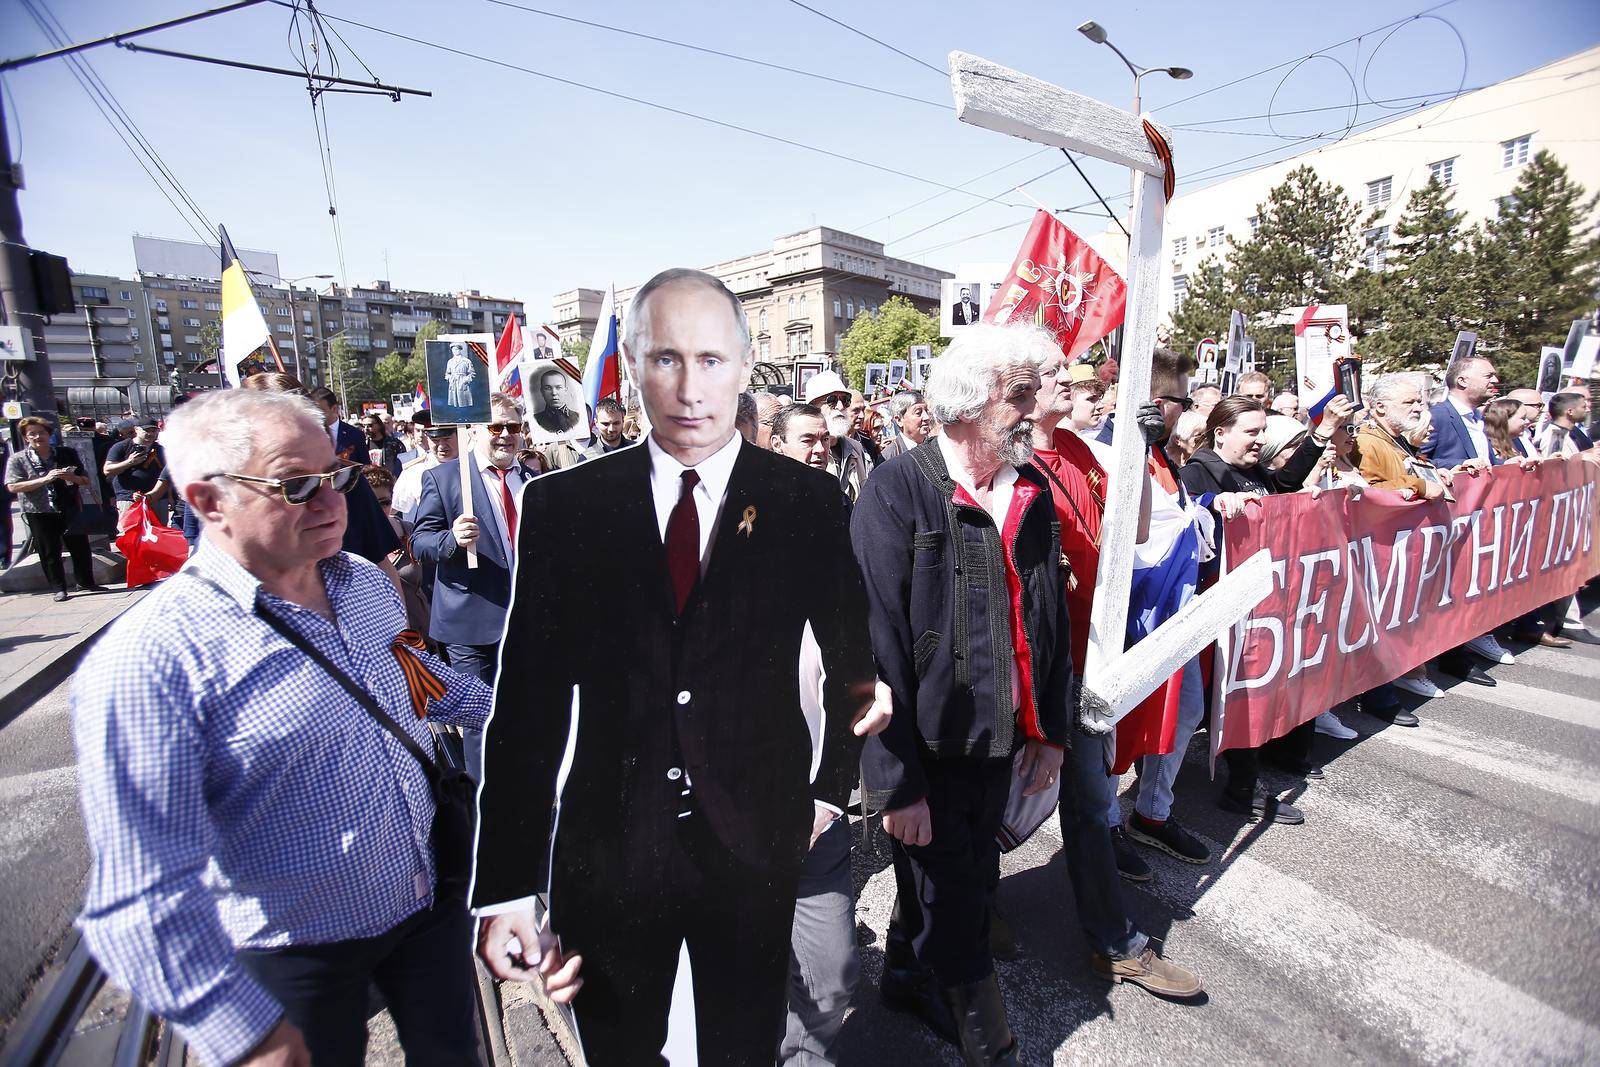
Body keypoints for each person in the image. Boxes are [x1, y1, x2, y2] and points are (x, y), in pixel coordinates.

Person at [471, 268, 880, 1066]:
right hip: (612, 849)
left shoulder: (807, 501)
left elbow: (852, 663)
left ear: (745, 362)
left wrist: (831, 788)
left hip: (757, 843)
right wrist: (509, 885)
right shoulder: (566, 509)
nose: (690, 387)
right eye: (665, 360)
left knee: (741, 1046)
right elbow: (526, 705)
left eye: (711, 359)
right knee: (621, 1049)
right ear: (632, 365)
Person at [72, 389, 490, 1067]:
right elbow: (140, 895)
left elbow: (422, 687)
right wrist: (241, 1033)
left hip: (430, 906)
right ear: (209, 502)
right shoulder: (152, 658)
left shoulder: (361, 580)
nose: (334, 504)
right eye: (297, 485)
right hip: (295, 954)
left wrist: (540, 710)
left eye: (338, 476)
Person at [853, 324, 1075, 1065]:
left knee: (963, 871)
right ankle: (986, 1031)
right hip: (930, 746)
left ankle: (905, 974)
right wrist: (896, 785)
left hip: (1002, 737)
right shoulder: (896, 489)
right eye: (1020, 395)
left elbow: (1048, 624)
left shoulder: (1031, 491)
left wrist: (1050, 731)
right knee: (956, 894)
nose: (1035, 409)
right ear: (967, 402)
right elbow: (874, 650)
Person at [1024, 337, 1207, 993]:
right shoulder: (1009, 461)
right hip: (1033, 661)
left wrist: (1142, 453)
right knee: (984, 798)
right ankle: (923, 930)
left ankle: (1115, 941)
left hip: (1086, 656)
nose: (1073, 380)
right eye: (1054, 373)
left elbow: (1128, 533)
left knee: (1087, 795)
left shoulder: (1077, 450)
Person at [1182, 393, 1356, 821]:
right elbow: (1182, 520)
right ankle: (1238, 789)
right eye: (1252, 432)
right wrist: (1210, 505)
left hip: (1263, 605)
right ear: (1221, 433)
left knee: (1241, 692)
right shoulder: (1198, 474)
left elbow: (1285, 488)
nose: (1260, 440)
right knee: (1226, 695)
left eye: (1263, 432)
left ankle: (1250, 769)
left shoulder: (1252, 470)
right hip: (1221, 608)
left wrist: (1321, 433)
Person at [411, 393, 537, 781]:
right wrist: (452, 539)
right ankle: (484, 811)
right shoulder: (445, 478)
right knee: (482, 720)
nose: (504, 436)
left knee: (530, 717)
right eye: (495, 427)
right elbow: (420, 544)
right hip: (472, 626)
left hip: (529, 624)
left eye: (512, 427)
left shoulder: (535, 481)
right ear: (476, 430)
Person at [1421, 355, 1517, 674]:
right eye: (1488, 375)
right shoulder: (1436, 417)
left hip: (1477, 520)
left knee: (1468, 584)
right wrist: (1449, 472)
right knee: (1446, 589)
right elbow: (1418, 463)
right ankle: (1450, 656)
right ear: (1462, 381)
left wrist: (1512, 469)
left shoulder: (1479, 419)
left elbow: (1484, 463)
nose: (1495, 379)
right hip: (1445, 521)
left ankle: (1466, 641)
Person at [5, 415, 100, 600]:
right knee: (49, 550)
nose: (38, 437)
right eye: (32, 434)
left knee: (80, 546)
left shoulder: (65, 453)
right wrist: (44, 480)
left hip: (69, 506)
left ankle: (86, 582)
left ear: (49, 435)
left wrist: (70, 478)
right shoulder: (18, 459)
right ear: (26, 438)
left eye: (41, 432)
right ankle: (59, 588)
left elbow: (85, 479)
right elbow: (13, 486)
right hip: (39, 510)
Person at [804, 371, 871, 503]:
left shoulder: (855, 448)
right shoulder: (805, 449)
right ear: (813, 408)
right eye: (832, 401)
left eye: (845, 401)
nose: (840, 407)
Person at [103, 417, 167, 517]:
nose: (150, 433)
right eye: (146, 430)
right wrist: (129, 462)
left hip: (156, 499)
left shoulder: (160, 449)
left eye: (153, 430)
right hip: (129, 498)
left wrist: (170, 496)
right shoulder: (122, 446)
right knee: (130, 531)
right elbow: (107, 470)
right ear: (137, 429)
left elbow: (167, 474)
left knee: (158, 530)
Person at [393, 421, 455, 521]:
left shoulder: (476, 467)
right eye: (435, 439)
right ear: (428, 438)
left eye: (447, 439)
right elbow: (394, 508)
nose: (442, 445)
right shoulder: (414, 472)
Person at [306, 386, 365, 462]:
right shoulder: (306, 436)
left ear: (334, 408)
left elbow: (364, 468)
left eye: (319, 411)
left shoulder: (355, 434)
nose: (314, 415)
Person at [769, 402, 831, 471]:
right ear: (777, 444)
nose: (820, 449)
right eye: (807, 441)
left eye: (825, 439)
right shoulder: (763, 480)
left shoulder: (834, 481)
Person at [879, 390, 934, 462]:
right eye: (918, 412)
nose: (926, 417)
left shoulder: (936, 448)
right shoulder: (889, 457)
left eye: (926, 411)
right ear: (899, 420)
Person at [1536, 391, 1587, 457]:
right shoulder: (1556, 437)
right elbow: (1554, 465)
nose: (1587, 410)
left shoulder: (1571, 432)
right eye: (1584, 407)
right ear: (1570, 411)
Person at [533, 369, 580, 434]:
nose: (554, 393)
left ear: (565, 390)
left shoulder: (578, 418)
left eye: (558, 387)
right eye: (548, 388)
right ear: (542, 392)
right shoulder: (535, 421)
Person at [848, 391, 884, 467]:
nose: (862, 416)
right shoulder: (831, 443)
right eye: (856, 410)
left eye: (863, 410)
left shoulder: (868, 443)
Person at [445, 342, 477, 409]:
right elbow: (447, 374)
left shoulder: (466, 361)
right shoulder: (450, 362)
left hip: (463, 384)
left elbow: (472, 374)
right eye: (453, 350)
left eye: (456, 349)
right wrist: (450, 378)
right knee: (454, 403)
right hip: (453, 384)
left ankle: (464, 415)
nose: (455, 351)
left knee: (463, 403)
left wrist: (465, 380)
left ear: (460, 350)